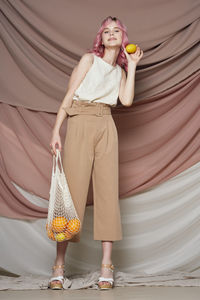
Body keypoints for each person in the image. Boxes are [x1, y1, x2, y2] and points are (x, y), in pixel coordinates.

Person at [48, 16, 143, 290]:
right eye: (106, 31)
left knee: (106, 193)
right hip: (79, 121)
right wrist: (56, 131)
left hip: (106, 125)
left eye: (116, 31)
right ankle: (58, 266)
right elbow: (68, 96)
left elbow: (125, 100)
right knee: (71, 195)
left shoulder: (120, 72)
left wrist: (133, 66)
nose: (111, 34)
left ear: (122, 38)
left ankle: (106, 266)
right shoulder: (89, 60)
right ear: (100, 39)